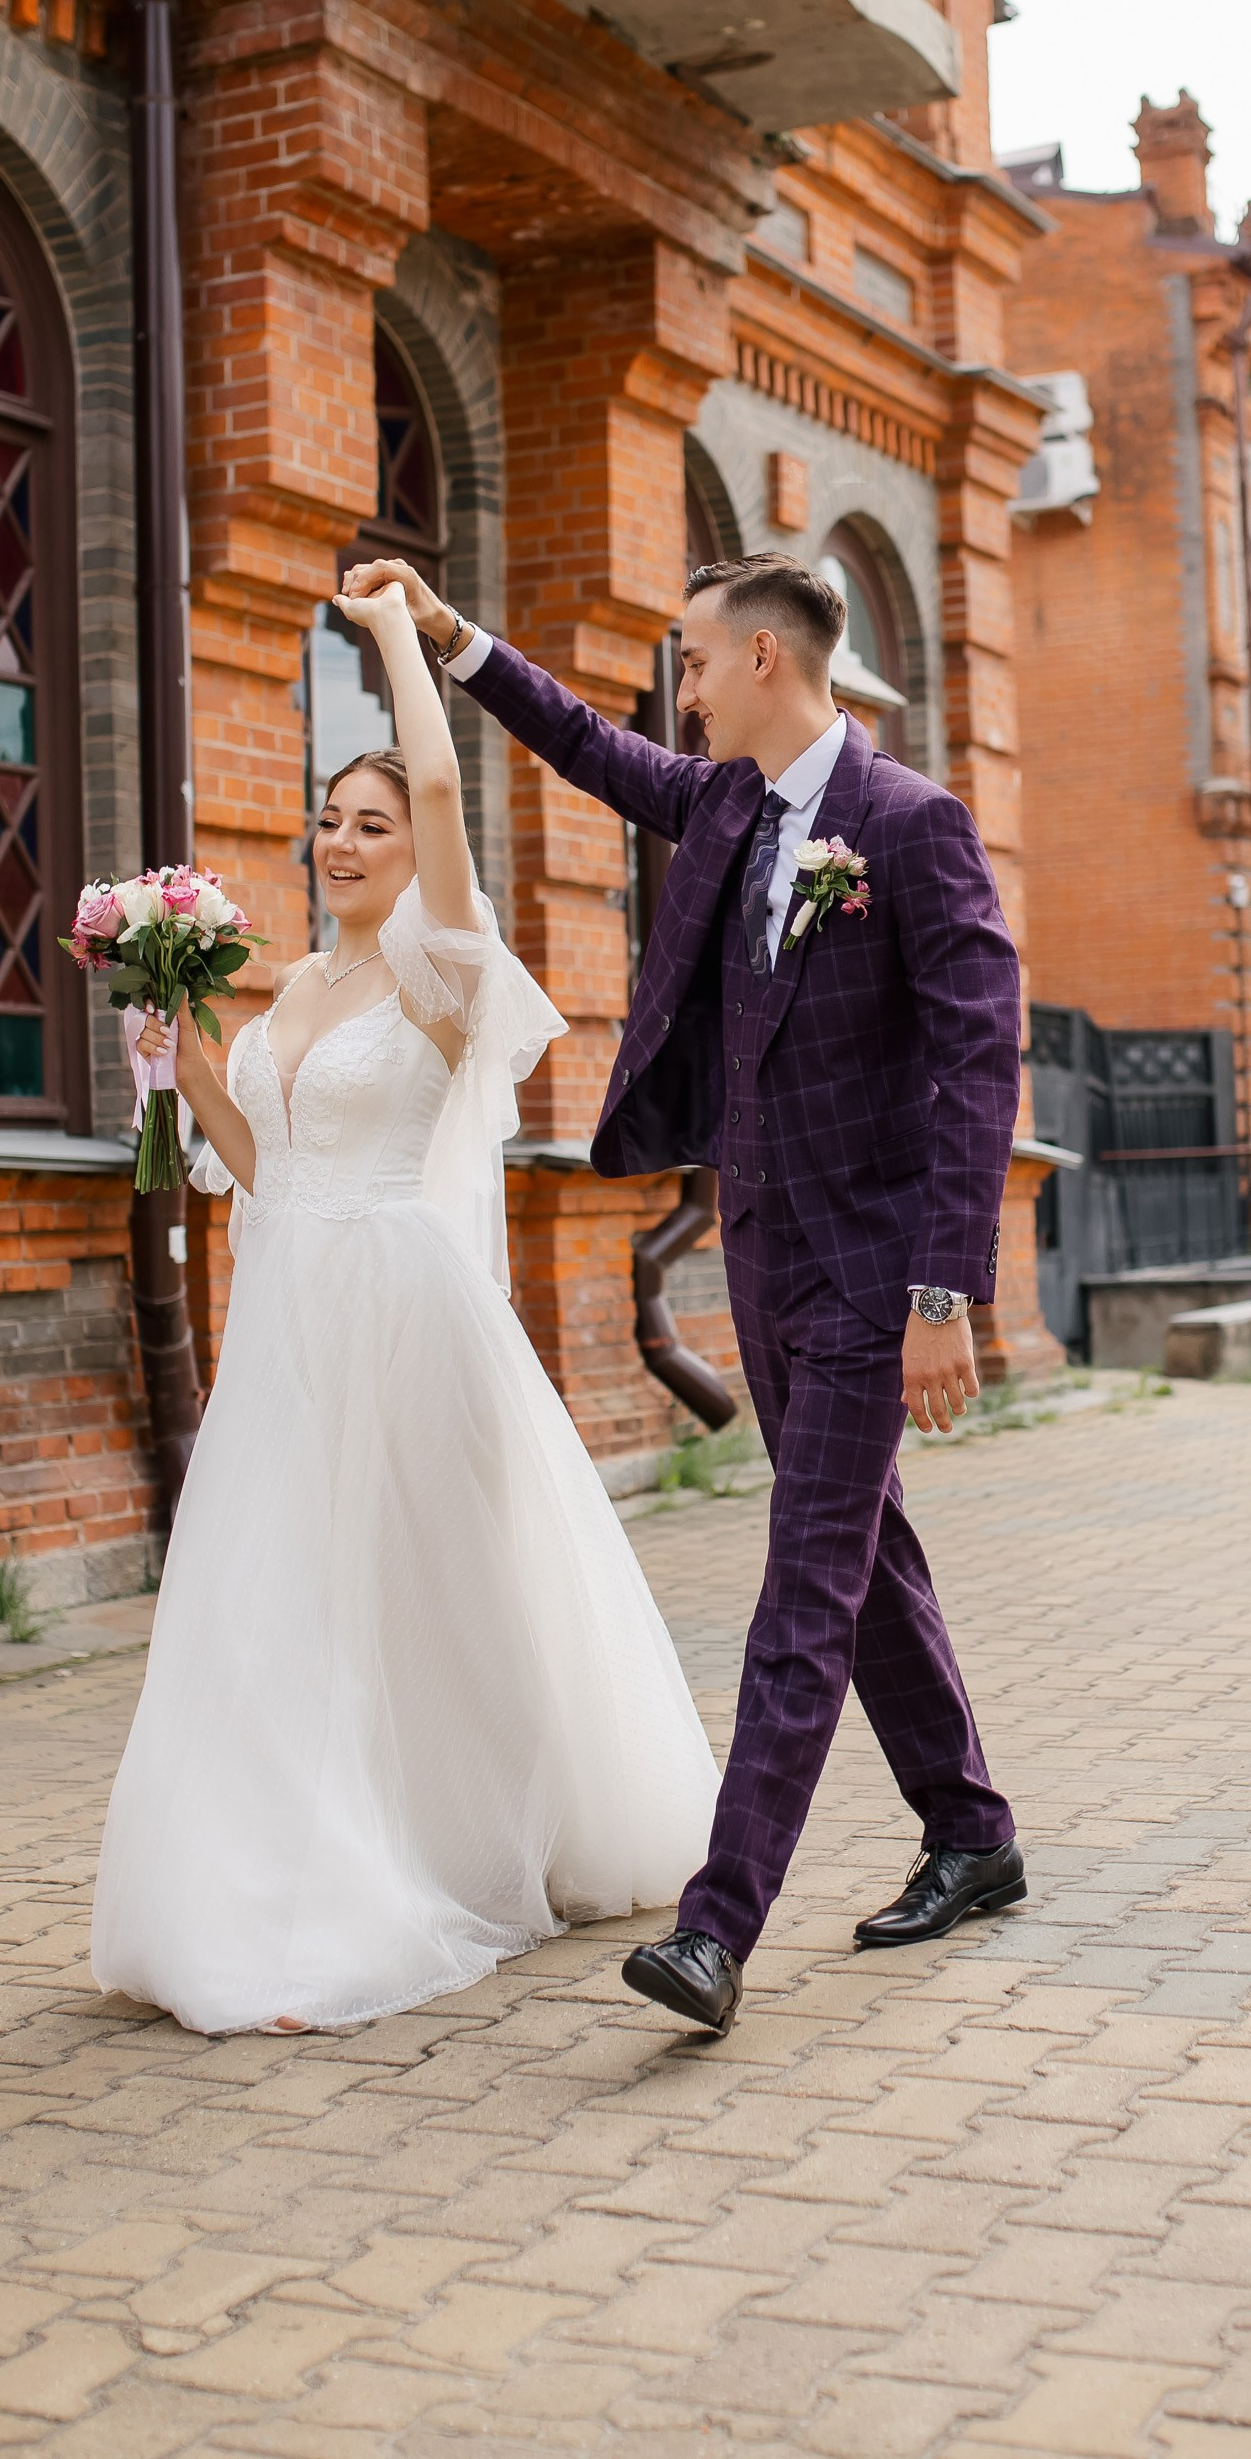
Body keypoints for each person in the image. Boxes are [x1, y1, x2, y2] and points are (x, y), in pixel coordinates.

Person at [342, 551, 1026, 2039]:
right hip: (766, 1253)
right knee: (863, 1555)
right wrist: (453, 639)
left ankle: (719, 1929)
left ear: (766, 659)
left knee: (806, 1584)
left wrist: (942, 1294)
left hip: (874, 1272)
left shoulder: (911, 824)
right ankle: (973, 1832)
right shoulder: (728, 806)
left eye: (697, 662)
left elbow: (981, 1066)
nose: (685, 689)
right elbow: (587, 746)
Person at [90, 580, 719, 2036]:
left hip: (400, 1310)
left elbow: (440, 777)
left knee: (426, 1595)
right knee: (280, 1595)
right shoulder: (296, 984)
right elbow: (264, 1170)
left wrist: (395, 636)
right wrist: (183, 1062)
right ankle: (276, 1878)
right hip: (285, 1316)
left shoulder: (441, 969)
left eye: (371, 825)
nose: (345, 841)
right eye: (330, 821)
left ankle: (455, 1844)